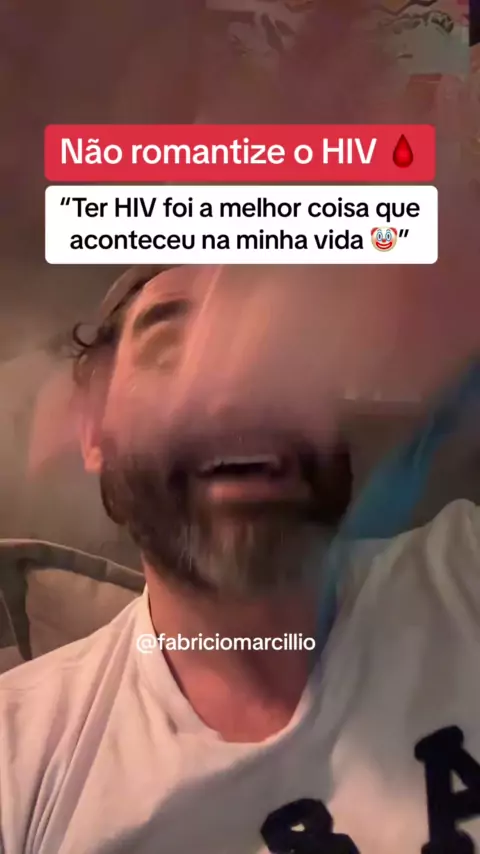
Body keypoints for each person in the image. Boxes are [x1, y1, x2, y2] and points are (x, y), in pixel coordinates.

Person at [1, 264, 480, 854]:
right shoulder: (17, 756)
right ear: (93, 431)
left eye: (280, 351)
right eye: (169, 350)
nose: (235, 386)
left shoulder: (465, 568)